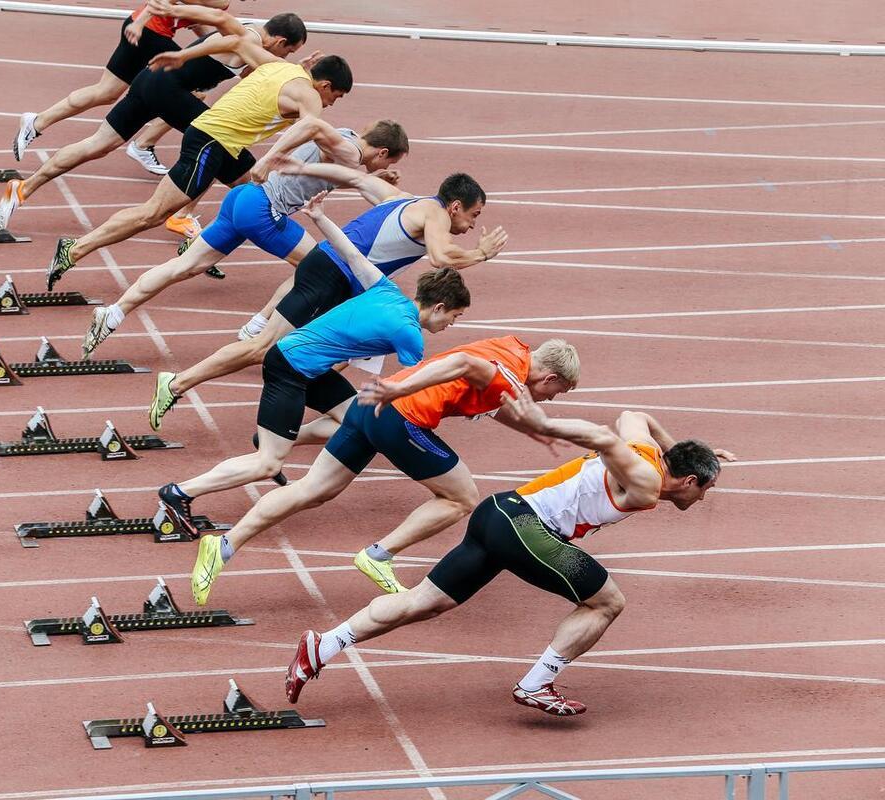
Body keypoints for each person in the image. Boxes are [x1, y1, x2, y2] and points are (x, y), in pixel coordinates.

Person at [283, 398, 737, 715]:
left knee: (425, 601)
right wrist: (544, 425)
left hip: (498, 512)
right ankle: (537, 683)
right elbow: (604, 436)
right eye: (706, 488)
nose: (704, 498)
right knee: (606, 602)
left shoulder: (650, 452)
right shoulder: (644, 480)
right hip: (526, 526)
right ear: (689, 481)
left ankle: (324, 645)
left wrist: (683, 451)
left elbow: (634, 415)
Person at [159, 192, 469, 604]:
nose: (452, 325)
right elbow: (418, 384)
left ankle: (278, 435)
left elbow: (351, 253)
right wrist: (469, 402)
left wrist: (320, 216)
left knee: (356, 419)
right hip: (290, 366)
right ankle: (181, 491)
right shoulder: (409, 333)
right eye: (455, 317)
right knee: (269, 463)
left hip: (311, 366)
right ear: (440, 306)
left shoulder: (388, 290)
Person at [190, 337, 581, 605]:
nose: (550, 399)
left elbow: (495, 403)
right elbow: (460, 364)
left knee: (313, 489)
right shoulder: (508, 375)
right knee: (461, 497)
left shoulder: (512, 351)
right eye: (557, 392)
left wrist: (537, 430)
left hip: (368, 408)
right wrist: (400, 391)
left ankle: (223, 546)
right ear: (550, 378)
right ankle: (379, 555)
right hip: (401, 416)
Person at [148, 167, 508, 431]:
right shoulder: (434, 213)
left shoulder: (404, 198)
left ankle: (325, 419)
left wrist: (301, 167)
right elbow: (441, 257)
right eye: (474, 216)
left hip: (345, 281)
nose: (471, 226)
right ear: (455, 206)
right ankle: (177, 383)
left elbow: (355, 178)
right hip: (331, 273)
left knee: (344, 353)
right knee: (263, 348)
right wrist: (481, 254)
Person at [44, 14, 355, 292]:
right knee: (153, 214)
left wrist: (183, 55)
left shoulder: (280, 67)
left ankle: (199, 245)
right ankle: (75, 248)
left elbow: (234, 42)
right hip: (210, 141)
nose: (331, 103)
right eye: (336, 97)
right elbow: (309, 126)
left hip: (222, 141)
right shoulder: (309, 97)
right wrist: (270, 158)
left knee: (255, 194)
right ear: (325, 85)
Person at [78, 120, 410, 361]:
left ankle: (114, 313)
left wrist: (376, 176)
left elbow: (330, 174)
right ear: (382, 151)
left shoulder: (346, 138)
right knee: (318, 266)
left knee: (184, 266)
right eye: (389, 162)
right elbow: (309, 124)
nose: (385, 166)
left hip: (242, 198)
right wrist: (269, 157)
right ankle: (259, 325)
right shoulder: (351, 153)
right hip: (264, 209)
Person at [0, 9, 309, 233]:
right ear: (280, 41)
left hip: (150, 79)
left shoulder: (251, 32)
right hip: (168, 89)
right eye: (290, 51)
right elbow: (221, 20)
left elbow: (247, 67)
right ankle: (183, 214)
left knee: (99, 143)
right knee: (220, 145)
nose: (287, 57)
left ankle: (22, 188)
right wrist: (174, 11)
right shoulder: (248, 38)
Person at [9, 0, 231, 164]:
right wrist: (140, 24)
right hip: (147, 32)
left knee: (106, 91)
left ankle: (36, 122)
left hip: (141, 28)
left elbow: (198, 24)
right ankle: (143, 144)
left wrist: (209, 46)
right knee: (192, 91)